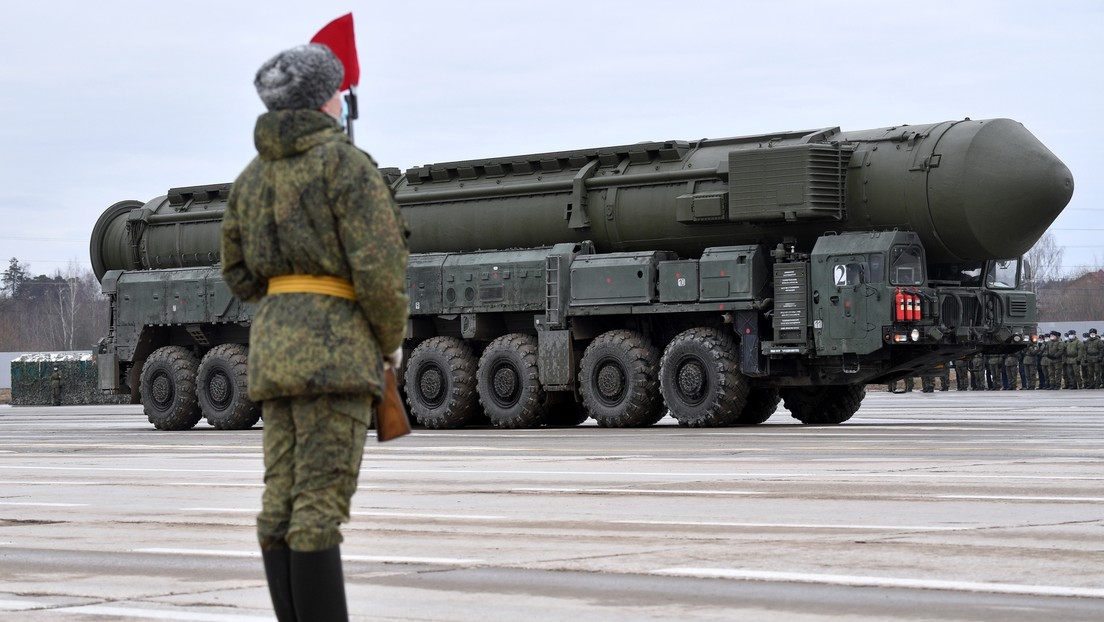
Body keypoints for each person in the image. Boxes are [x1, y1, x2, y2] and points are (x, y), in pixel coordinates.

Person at [221, 43, 410, 622]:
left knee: (280, 501)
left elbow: (238, 273)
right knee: (320, 506)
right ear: (325, 99)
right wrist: (388, 338)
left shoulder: (251, 179)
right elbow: (379, 268)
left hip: (275, 355)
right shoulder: (346, 166)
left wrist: (290, 291)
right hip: (336, 354)